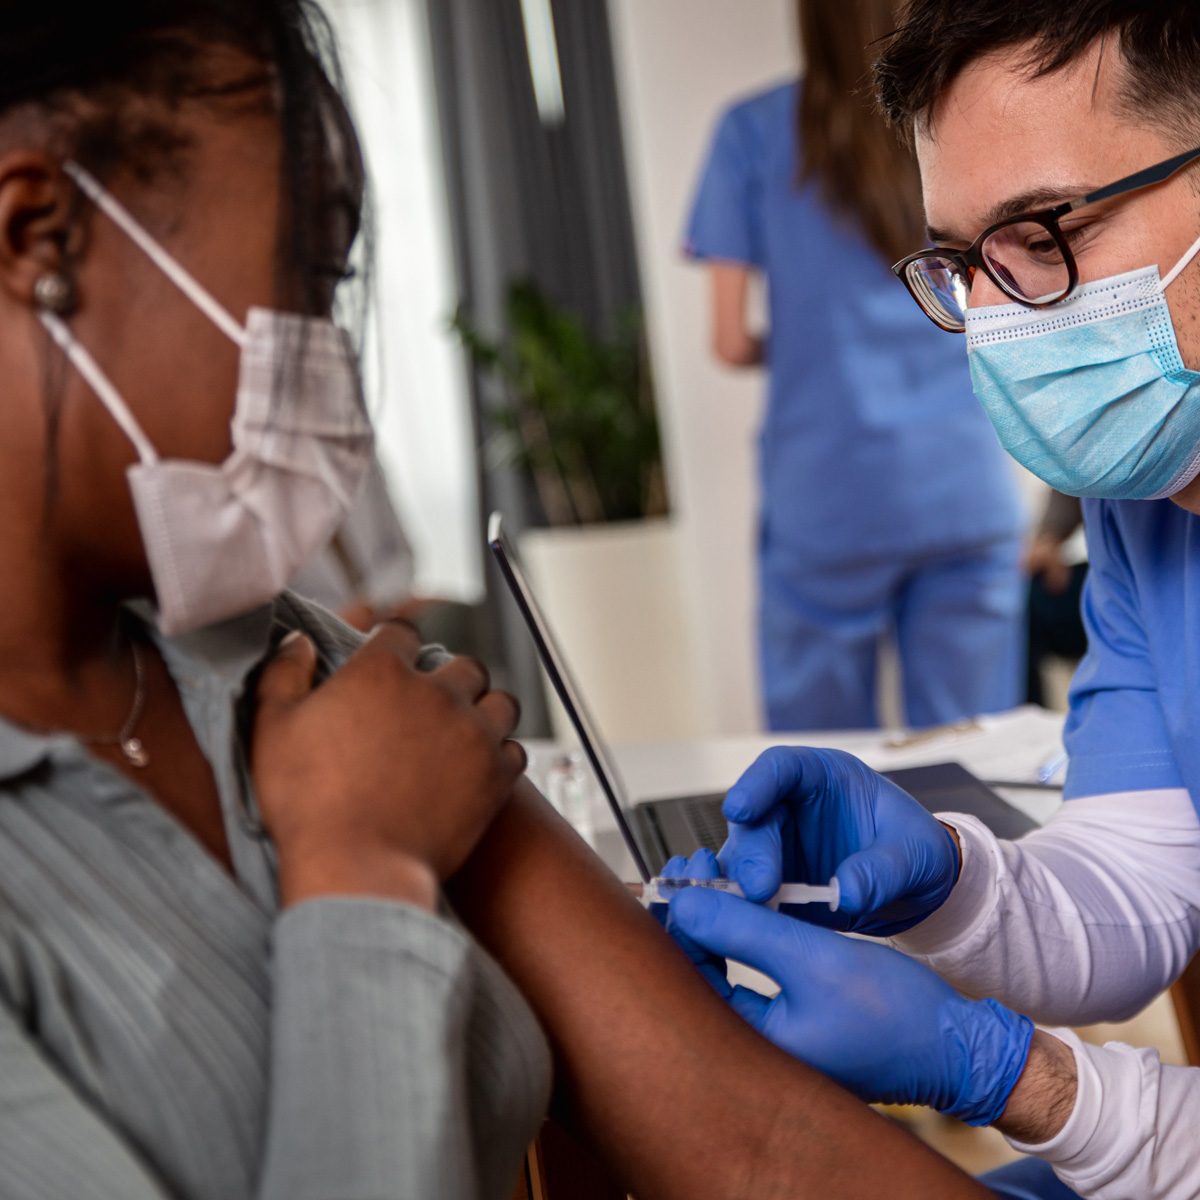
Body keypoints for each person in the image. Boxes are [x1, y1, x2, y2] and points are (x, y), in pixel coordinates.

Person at [0, 4, 998, 1198]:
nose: (330, 364)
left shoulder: (295, 663)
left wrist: (1044, 1085)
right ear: (34, 231)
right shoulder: (355, 754)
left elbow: (755, 1139)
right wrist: (363, 868)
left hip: (838, 503)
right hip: (953, 487)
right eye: (304, 275)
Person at [664, 3, 1200, 1197]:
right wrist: (957, 885)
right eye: (965, 264)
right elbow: (1142, 882)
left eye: (1045, 234)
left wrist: (1020, 1080)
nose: (999, 324)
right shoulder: (1146, 507)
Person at [684, 0, 1025, 732]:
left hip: (829, 497)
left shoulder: (752, 131)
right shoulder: (956, 115)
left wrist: (810, 341)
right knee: (980, 757)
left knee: (824, 765)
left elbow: (730, 341)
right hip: (963, 483)